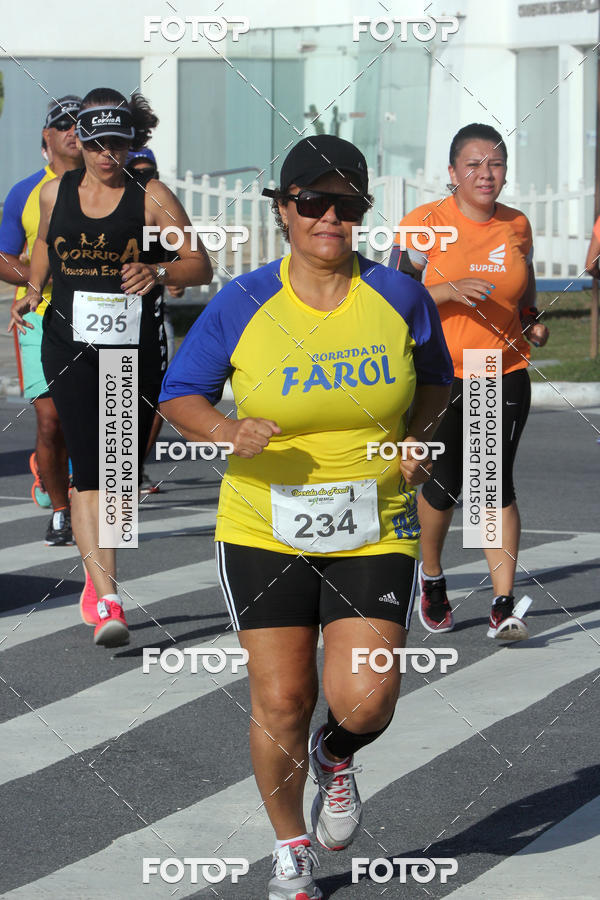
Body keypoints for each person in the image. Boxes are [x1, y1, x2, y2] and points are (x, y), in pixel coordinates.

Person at [159, 134, 453, 900]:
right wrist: (226, 431)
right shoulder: (246, 301)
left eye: (345, 204)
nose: (329, 217)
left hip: (375, 516)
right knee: (281, 698)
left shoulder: (399, 295)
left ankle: (336, 753)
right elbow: (179, 393)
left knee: (366, 697)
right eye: (312, 202)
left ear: (359, 213)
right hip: (264, 523)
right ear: (284, 210)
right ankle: (291, 845)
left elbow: (436, 379)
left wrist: (414, 437)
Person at [10, 87, 212, 648]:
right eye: (95, 144)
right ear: (81, 142)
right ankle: (107, 595)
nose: (105, 155)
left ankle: (99, 580)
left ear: (131, 143)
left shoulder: (151, 197)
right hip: (68, 342)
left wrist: (159, 272)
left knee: (119, 473)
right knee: (90, 467)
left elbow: (200, 264)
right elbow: (47, 248)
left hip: (131, 349)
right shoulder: (56, 193)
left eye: (116, 144)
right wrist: (30, 291)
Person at [390, 122, 549, 641]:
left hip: (501, 369)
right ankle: (431, 579)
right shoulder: (426, 223)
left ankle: (503, 603)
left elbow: (518, 292)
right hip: (439, 372)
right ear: (453, 173)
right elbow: (392, 297)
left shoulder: (517, 224)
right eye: (474, 165)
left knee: (492, 482)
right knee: (443, 484)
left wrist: (530, 320)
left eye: (495, 164)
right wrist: (449, 289)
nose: (486, 173)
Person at [3, 96, 82, 542]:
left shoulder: (113, 187)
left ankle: (87, 493)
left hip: (101, 316)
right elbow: (2, 254)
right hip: (39, 314)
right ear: (46, 138)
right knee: (51, 419)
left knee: (98, 417)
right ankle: (60, 509)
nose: (74, 131)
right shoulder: (26, 191)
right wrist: (40, 278)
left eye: (80, 124)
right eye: (63, 124)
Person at [124, 147, 183, 493]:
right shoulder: (108, 213)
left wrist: (166, 275)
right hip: (103, 329)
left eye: (151, 171)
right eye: (137, 171)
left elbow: (186, 267)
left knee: (156, 399)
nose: (145, 177)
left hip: (152, 322)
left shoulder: (161, 214)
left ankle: (133, 468)